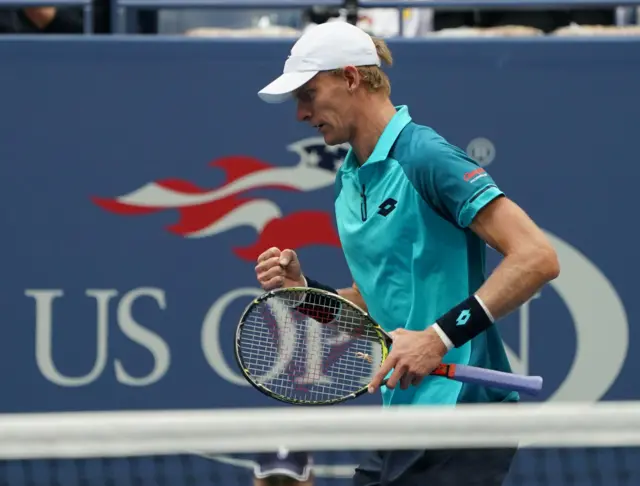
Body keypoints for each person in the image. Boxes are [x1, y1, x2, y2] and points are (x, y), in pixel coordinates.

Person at [254, 21, 560, 486]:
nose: (300, 113)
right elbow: (373, 302)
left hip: (461, 417)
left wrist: (436, 338)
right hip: (406, 418)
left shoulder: (425, 158)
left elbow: (537, 257)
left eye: (309, 93)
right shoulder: (348, 182)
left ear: (351, 78)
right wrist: (304, 291)